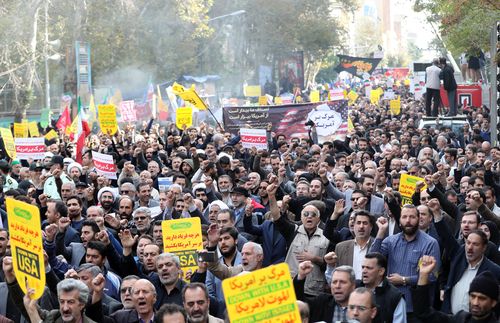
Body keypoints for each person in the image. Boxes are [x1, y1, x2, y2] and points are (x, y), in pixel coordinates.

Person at [413, 255, 499, 323]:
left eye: (482, 298)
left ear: (493, 302)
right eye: (473, 296)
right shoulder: (461, 319)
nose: (475, 302)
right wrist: (424, 275)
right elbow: (424, 313)